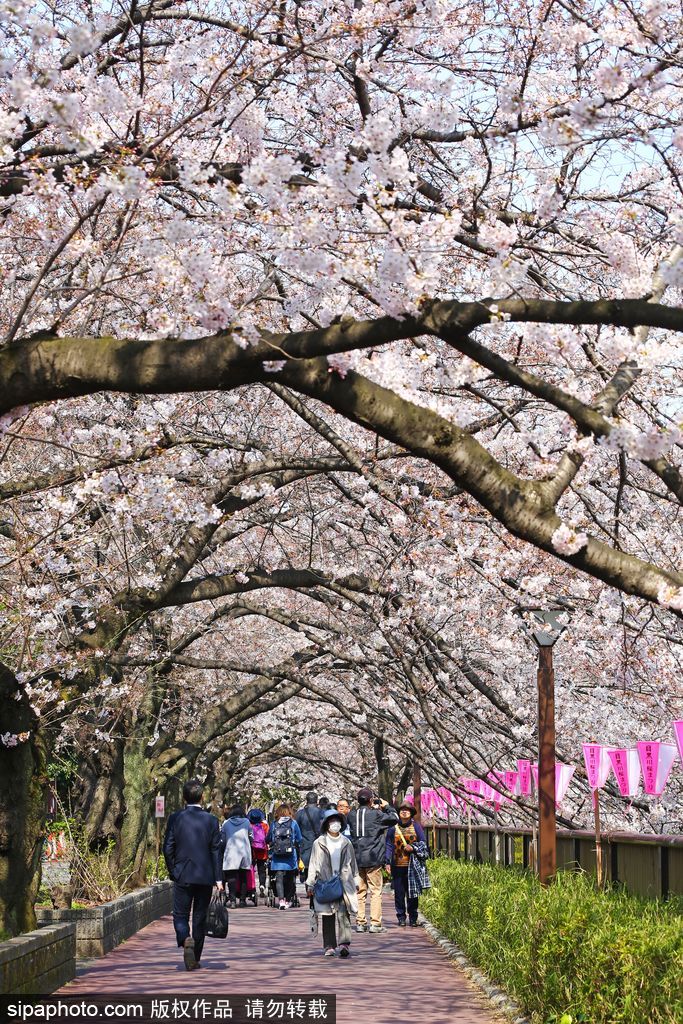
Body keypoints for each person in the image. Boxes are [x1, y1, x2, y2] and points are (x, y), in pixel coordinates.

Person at [163, 778, 223, 971]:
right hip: (205, 876)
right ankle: (195, 957)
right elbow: (216, 850)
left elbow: (167, 847)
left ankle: (184, 938)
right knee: (199, 917)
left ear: (183, 797)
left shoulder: (175, 818)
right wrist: (219, 878)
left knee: (180, 914)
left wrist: (173, 870)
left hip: (183, 874)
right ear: (202, 796)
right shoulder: (212, 820)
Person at [306, 808, 360, 958]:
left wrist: (356, 879)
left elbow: (353, 863)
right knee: (327, 915)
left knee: (344, 913)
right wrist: (310, 883)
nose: (334, 824)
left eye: (337, 821)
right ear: (326, 824)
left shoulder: (346, 842)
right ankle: (329, 945)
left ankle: (344, 944)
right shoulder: (319, 843)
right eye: (331, 821)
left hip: (343, 882)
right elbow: (313, 863)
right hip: (326, 882)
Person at [347, 787, 398, 933]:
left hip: (357, 858)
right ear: (370, 800)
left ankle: (360, 922)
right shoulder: (376, 814)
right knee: (375, 891)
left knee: (360, 891)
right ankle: (375, 923)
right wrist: (386, 806)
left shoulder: (351, 815)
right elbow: (394, 818)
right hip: (373, 857)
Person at [385, 801, 427, 926]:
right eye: (402, 810)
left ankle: (413, 917)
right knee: (399, 893)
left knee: (412, 893)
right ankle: (401, 917)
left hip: (412, 865)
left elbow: (423, 843)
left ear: (411, 813)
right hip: (397, 865)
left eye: (407, 810)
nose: (404, 811)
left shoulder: (416, 827)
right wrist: (387, 862)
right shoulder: (393, 829)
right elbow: (388, 845)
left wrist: (413, 848)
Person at [269, 803, 302, 909]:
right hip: (290, 855)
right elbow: (299, 839)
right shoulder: (293, 823)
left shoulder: (274, 824)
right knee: (291, 878)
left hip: (277, 855)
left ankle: (281, 900)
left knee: (279, 878)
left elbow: (268, 838)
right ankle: (288, 900)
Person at [221, 803, 253, 908]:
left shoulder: (226, 823)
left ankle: (233, 900)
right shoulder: (247, 822)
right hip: (244, 852)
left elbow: (223, 839)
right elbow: (251, 837)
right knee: (243, 876)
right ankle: (243, 900)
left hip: (231, 853)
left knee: (231, 878)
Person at [295, 791, 323, 882]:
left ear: (306, 801)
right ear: (317, 801)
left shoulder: (300, 813)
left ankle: (308, 887)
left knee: (307, 867)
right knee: (318, 865)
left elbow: (296, 829)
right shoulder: (322, 813)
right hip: (319, 843)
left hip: (304, 843)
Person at [248, 807, 269, 896]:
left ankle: (252, 887)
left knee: (251, 869)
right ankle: (262, 885)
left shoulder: (249, 825)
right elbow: (268, 837)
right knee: (262, 869)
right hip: (262, 851)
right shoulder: (264, 826)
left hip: (252, 850)